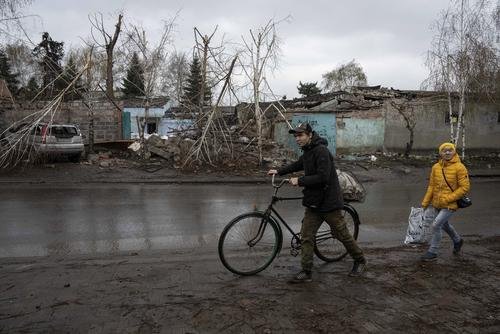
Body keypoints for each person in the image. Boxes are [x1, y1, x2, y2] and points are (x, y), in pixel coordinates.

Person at [268, 123, 366, 283]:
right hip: (314, 202)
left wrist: (299, 180)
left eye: (300, 135)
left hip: (329, 202)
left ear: (310, 135)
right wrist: (279, 171)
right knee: (306, 237)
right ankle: (306, 271)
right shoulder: (308, 151)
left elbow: (323, 177)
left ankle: (360, 260)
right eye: (296, 136)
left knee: (342, 234)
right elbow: (297, 165)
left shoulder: (321, 151)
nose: (297, 139)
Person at [420, 142, 470, 261]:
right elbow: (431, 186)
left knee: (436, 225)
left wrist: (448, 198)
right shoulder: (436, 167)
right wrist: (425, 203)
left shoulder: (460, 167)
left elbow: (465, 187)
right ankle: (458, 240)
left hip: (450, 204)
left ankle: (433, 251)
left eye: (450, 150)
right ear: (440, 153)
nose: (447, 152)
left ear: (454, 152)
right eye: (444, 150)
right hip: (437, 203)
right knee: (444, 225)